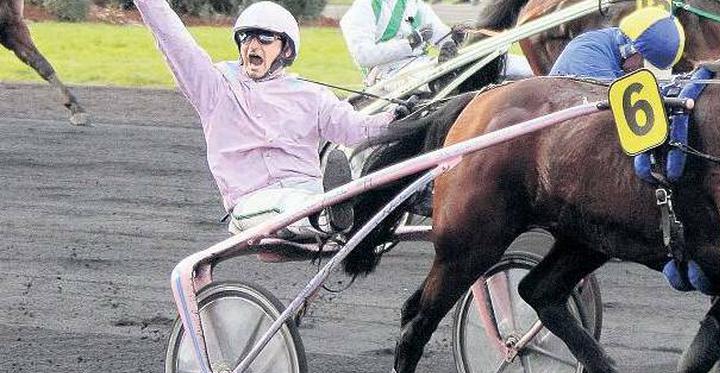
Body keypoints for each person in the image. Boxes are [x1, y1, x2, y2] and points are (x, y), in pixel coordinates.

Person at [135, 0, 399, 240]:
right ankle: (330, 216)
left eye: (265, 38)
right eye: (246, 37)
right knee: (291, 204)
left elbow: (355, 129)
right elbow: (174, 39)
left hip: (312, 194)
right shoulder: (215, 87)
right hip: (254, 203)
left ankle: (371, 207)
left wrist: (398, 119)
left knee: (364, 190)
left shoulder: (310, 94)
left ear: (285, 50)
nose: (253, 44)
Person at [340, 0, 533, 91]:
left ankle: (546, 71)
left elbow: (443, 39)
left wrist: (457, 38)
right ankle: (443, 81)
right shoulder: (362, 9)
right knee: (438, 73)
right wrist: (410, 42)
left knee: (506, 62)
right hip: (386, 76)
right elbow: (363, 56)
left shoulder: (416, 6)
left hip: (425, 63)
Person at [548, 7, 685, 79]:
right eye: (643, 65)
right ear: (631, 49)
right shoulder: (587, 56)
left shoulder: (621, 43)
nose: (641, 72)